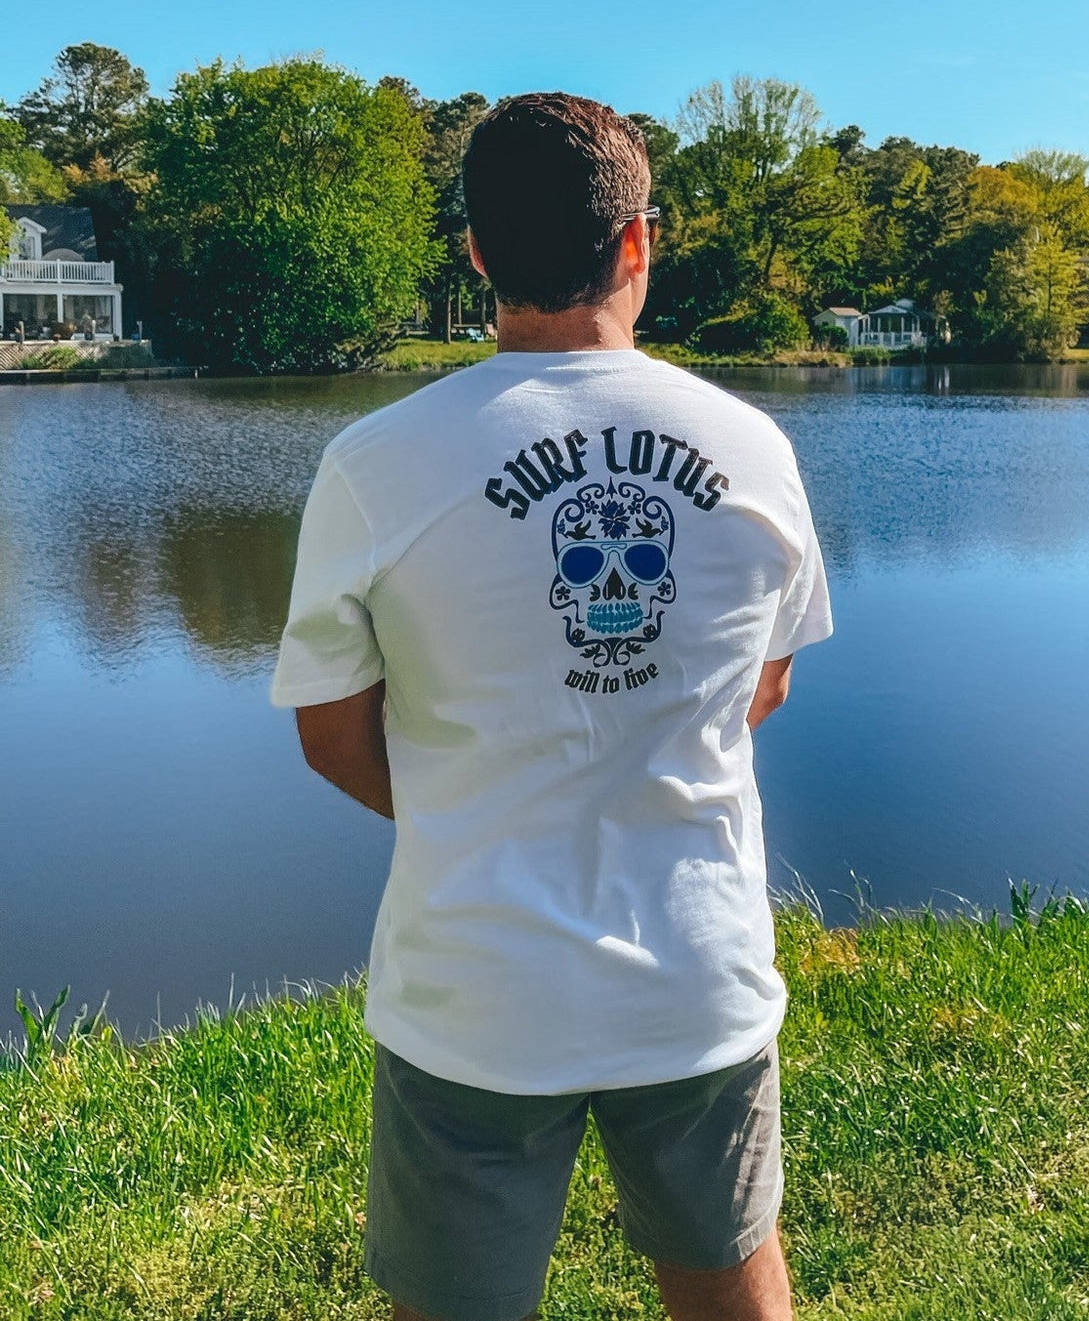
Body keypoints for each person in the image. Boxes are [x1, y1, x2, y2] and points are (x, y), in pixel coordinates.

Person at [271, 92, 832, 1321]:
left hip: (473, 990)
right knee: (730, 1277)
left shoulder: (375, 462)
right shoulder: (751, 448)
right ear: (637, 242)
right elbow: (766, 686)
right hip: (695, 973)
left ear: (474, 251)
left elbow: (328, 731)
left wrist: (480, 802)